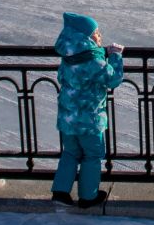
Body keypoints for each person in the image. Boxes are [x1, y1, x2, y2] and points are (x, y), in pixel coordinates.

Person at [51, 12, 124, 208]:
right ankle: (88, 196)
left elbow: (63, 77)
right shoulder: (92, 61)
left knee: (70, 153)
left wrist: (102, 52)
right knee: (92, 155)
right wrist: (115, 57)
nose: (99, 36)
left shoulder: (69, 56)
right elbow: (112, 79)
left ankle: (60, 191)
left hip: (67, 117)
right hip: (89, 120)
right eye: (96, 33)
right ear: (86, 37)